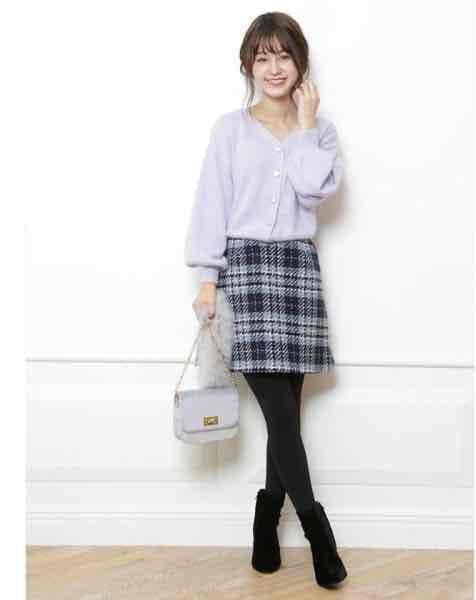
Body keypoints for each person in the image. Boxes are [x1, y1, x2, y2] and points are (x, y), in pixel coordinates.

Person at [184, 12, 347, 589]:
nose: (274, 68)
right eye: (263, 57)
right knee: (281, 415)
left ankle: (264, 526)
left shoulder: (320, 132)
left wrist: (305, 125)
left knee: (287, 416)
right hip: (246, 272)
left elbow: (315, 190)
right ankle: (319, 536)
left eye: (284, 56)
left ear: (300, 63)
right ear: (248, 65)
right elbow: (211, 202)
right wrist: (208, 279)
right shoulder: (229, 130)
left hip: (297, 270)